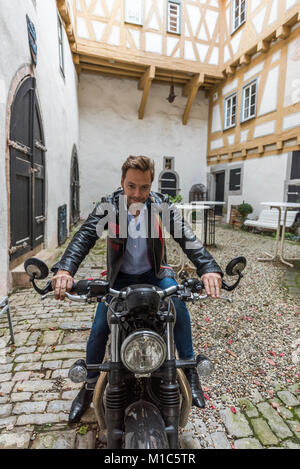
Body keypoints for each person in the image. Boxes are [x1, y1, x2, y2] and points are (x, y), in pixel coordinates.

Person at [51, 156, 222, 423]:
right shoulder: (110, 205)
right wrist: (65, 270)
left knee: (178, 304)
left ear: (151, 185)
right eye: (131, 186)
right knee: (98, 328)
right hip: (118, 278)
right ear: (122, 182)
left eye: (143, 188)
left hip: (155, 274)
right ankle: (88, 388)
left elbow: (187, 237)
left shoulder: (161, 205)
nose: (137, 194)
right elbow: (84, 237)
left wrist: (208, 267)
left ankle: (190, 373)